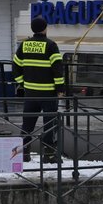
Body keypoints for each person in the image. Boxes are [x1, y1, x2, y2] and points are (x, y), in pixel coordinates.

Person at [12, 16, 65, 162]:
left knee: (27, 123)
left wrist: (22, 83)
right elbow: (58, 70)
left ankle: (24, 153)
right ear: (45, 28)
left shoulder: (24, 45)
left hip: (30, 93)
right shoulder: (51, 45)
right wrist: (60, 89)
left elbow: (15, 67)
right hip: (48, 93)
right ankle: (48, 155)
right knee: (49, 123)